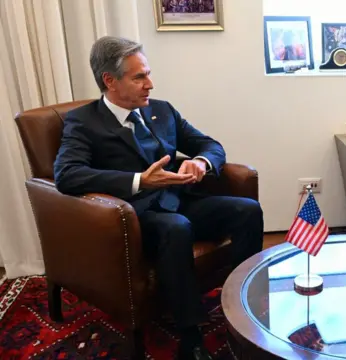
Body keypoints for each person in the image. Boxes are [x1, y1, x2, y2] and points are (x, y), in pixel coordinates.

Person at [53, 36, 264, 360]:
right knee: (176, 227)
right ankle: (190, 335)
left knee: (248, 210)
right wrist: (139, 181)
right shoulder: (83, 122)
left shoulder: (162, 111)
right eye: (139, 77)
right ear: (109, 81)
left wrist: (201, 162)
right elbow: (67, 175)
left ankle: (241, 308)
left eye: (148, 74)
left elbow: (210, 144)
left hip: (181, 199)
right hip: (132, 217)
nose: (149, 84)